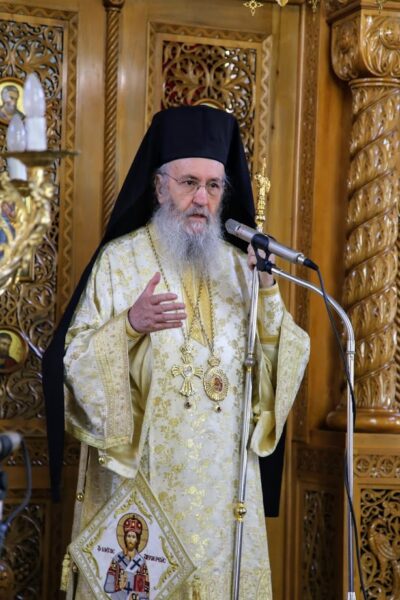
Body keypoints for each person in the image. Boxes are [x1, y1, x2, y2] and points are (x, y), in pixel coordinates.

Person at [43, 105, 309, 599]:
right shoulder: (120, 262)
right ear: (160, 186)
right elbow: (71, 360)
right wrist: (129, 326)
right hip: (146, 487)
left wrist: (269, 290)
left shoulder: (242, 269)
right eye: (189, 183)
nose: (201, 199)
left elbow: (280, 364)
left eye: (213, 186)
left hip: (226, 496)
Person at [104, 515, 149, 600]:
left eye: (133, 537)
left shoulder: (141, 562)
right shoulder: (117, 559)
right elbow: (107, 587)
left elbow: (145, 593)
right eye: (128, 536)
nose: (130, 540)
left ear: (137, 540)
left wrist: (134, 596)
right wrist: (118, 586)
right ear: (125, 538)